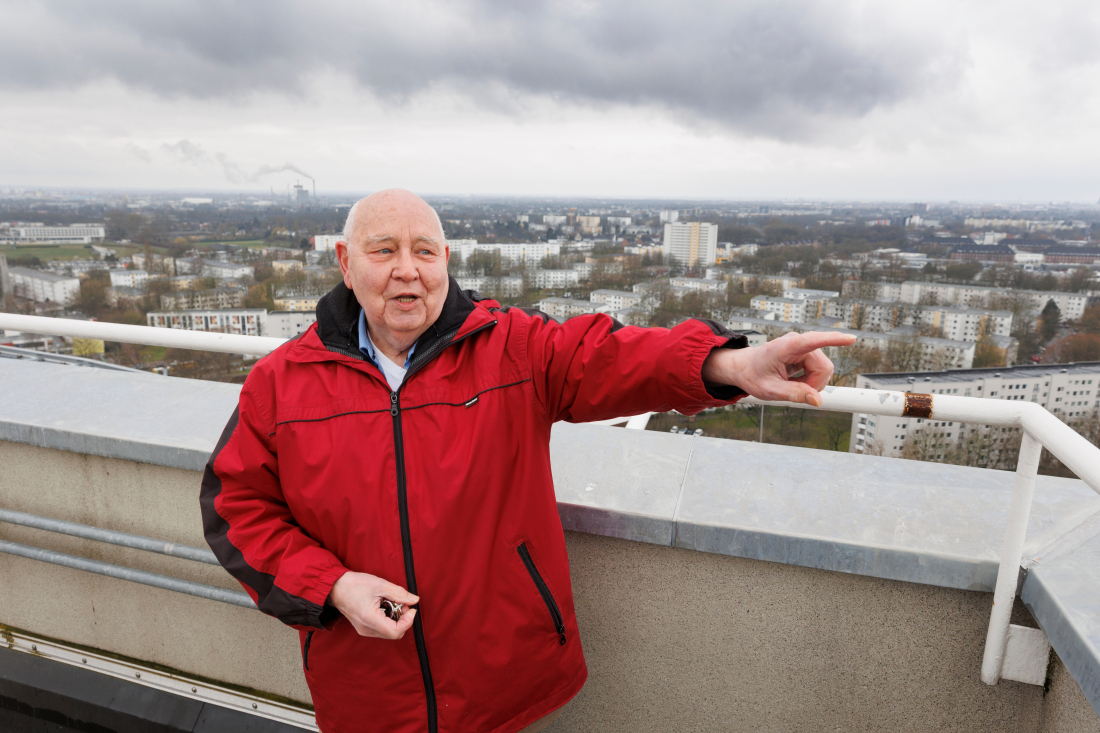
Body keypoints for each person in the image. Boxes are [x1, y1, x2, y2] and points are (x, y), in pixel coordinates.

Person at [200, 189, 856, 733]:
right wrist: (334, 586)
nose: (408, 269)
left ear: (446, 262)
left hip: (502, 691)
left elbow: (611, 356)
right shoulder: (282, 383)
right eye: (384, 251)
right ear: (346, 263)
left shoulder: (510, 349)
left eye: (425, 251)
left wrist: (730, 363)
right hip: (367, 697)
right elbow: (236, 510)